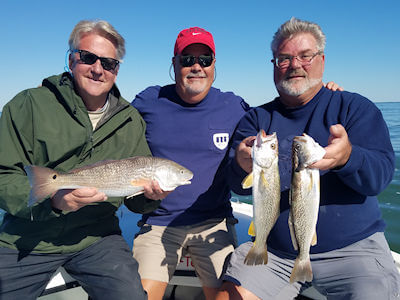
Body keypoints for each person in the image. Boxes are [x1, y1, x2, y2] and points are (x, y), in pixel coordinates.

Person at [216, 17, 400, 300]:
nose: (295, 65)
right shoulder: (256, 119)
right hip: (274, 253)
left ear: (322, 61)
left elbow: (379, 178)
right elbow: (236, 185)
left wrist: (349, 157)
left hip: (354, 250)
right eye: (284, 58)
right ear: (274, 66)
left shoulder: (354, 108)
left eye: (305, 56)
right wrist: (241, 165)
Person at [0, 20, 159, 299]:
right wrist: (53, 201)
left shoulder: (131, 121)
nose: (98, 69)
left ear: (117, 70)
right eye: (88, 58)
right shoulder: (28, 105)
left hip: (96, 238)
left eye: (109, 63)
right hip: (26, 238)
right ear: (71, 59)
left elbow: (134, 200)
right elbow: (3, 176)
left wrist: (152, 196)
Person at [130, 26, 251, 300]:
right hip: (159, 223)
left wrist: (325, 96)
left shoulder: (233, 106)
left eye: (204, 60)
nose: (196, 67)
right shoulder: (150, 101)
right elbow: (108, 120)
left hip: (213, 224)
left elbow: (275, 122)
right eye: (187, 60)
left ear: (213, 64)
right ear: (174, 64)